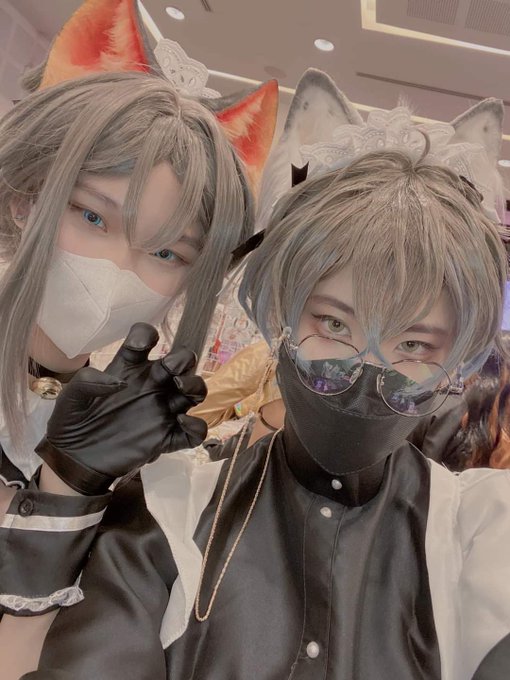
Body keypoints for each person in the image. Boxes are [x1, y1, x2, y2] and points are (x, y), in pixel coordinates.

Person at [2, 113, 510, 680]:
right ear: (280, 315)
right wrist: (67, 488)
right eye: (334, 325)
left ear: (457, 359)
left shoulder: (484, 526)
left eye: (413, 344)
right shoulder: (175, 503)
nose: (367, 372)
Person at [0, 0, 277, 496]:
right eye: (92, 217)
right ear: (26, 199)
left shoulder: (124, 434)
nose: (116, 269)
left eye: (167, 253)